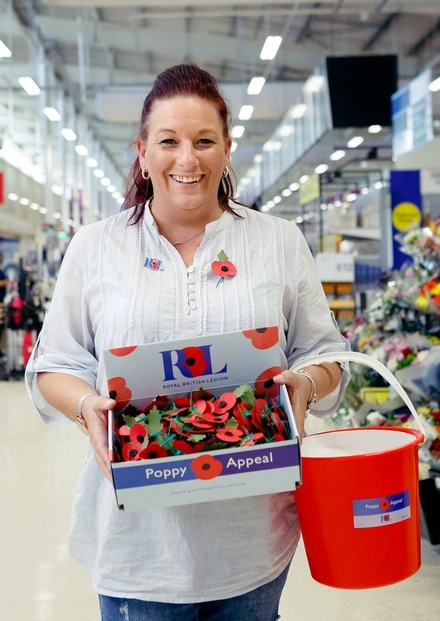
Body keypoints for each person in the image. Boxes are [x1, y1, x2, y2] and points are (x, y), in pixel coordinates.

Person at [26, 63, 350, 621]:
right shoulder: (95, 247)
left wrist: (304, 383)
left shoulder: (276, 241)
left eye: (204, 141)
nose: (186, 160)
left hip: (253, 539)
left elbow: (325, 353)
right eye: (168, 141)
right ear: (143, 151)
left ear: (227, 149)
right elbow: (53, 362)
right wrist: (87, 406)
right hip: (137, 546)